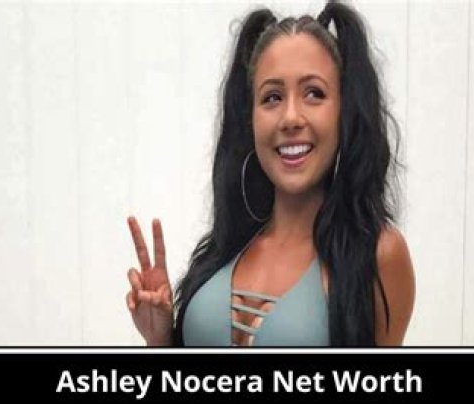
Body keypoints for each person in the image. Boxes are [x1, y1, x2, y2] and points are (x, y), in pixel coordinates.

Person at [125, 1, 415, 347]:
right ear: (250, 118)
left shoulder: (378, 254)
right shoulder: (228, 245)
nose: (290, 117)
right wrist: (160, 339)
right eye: (272, 97)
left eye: (314, 93)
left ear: (344, 112)